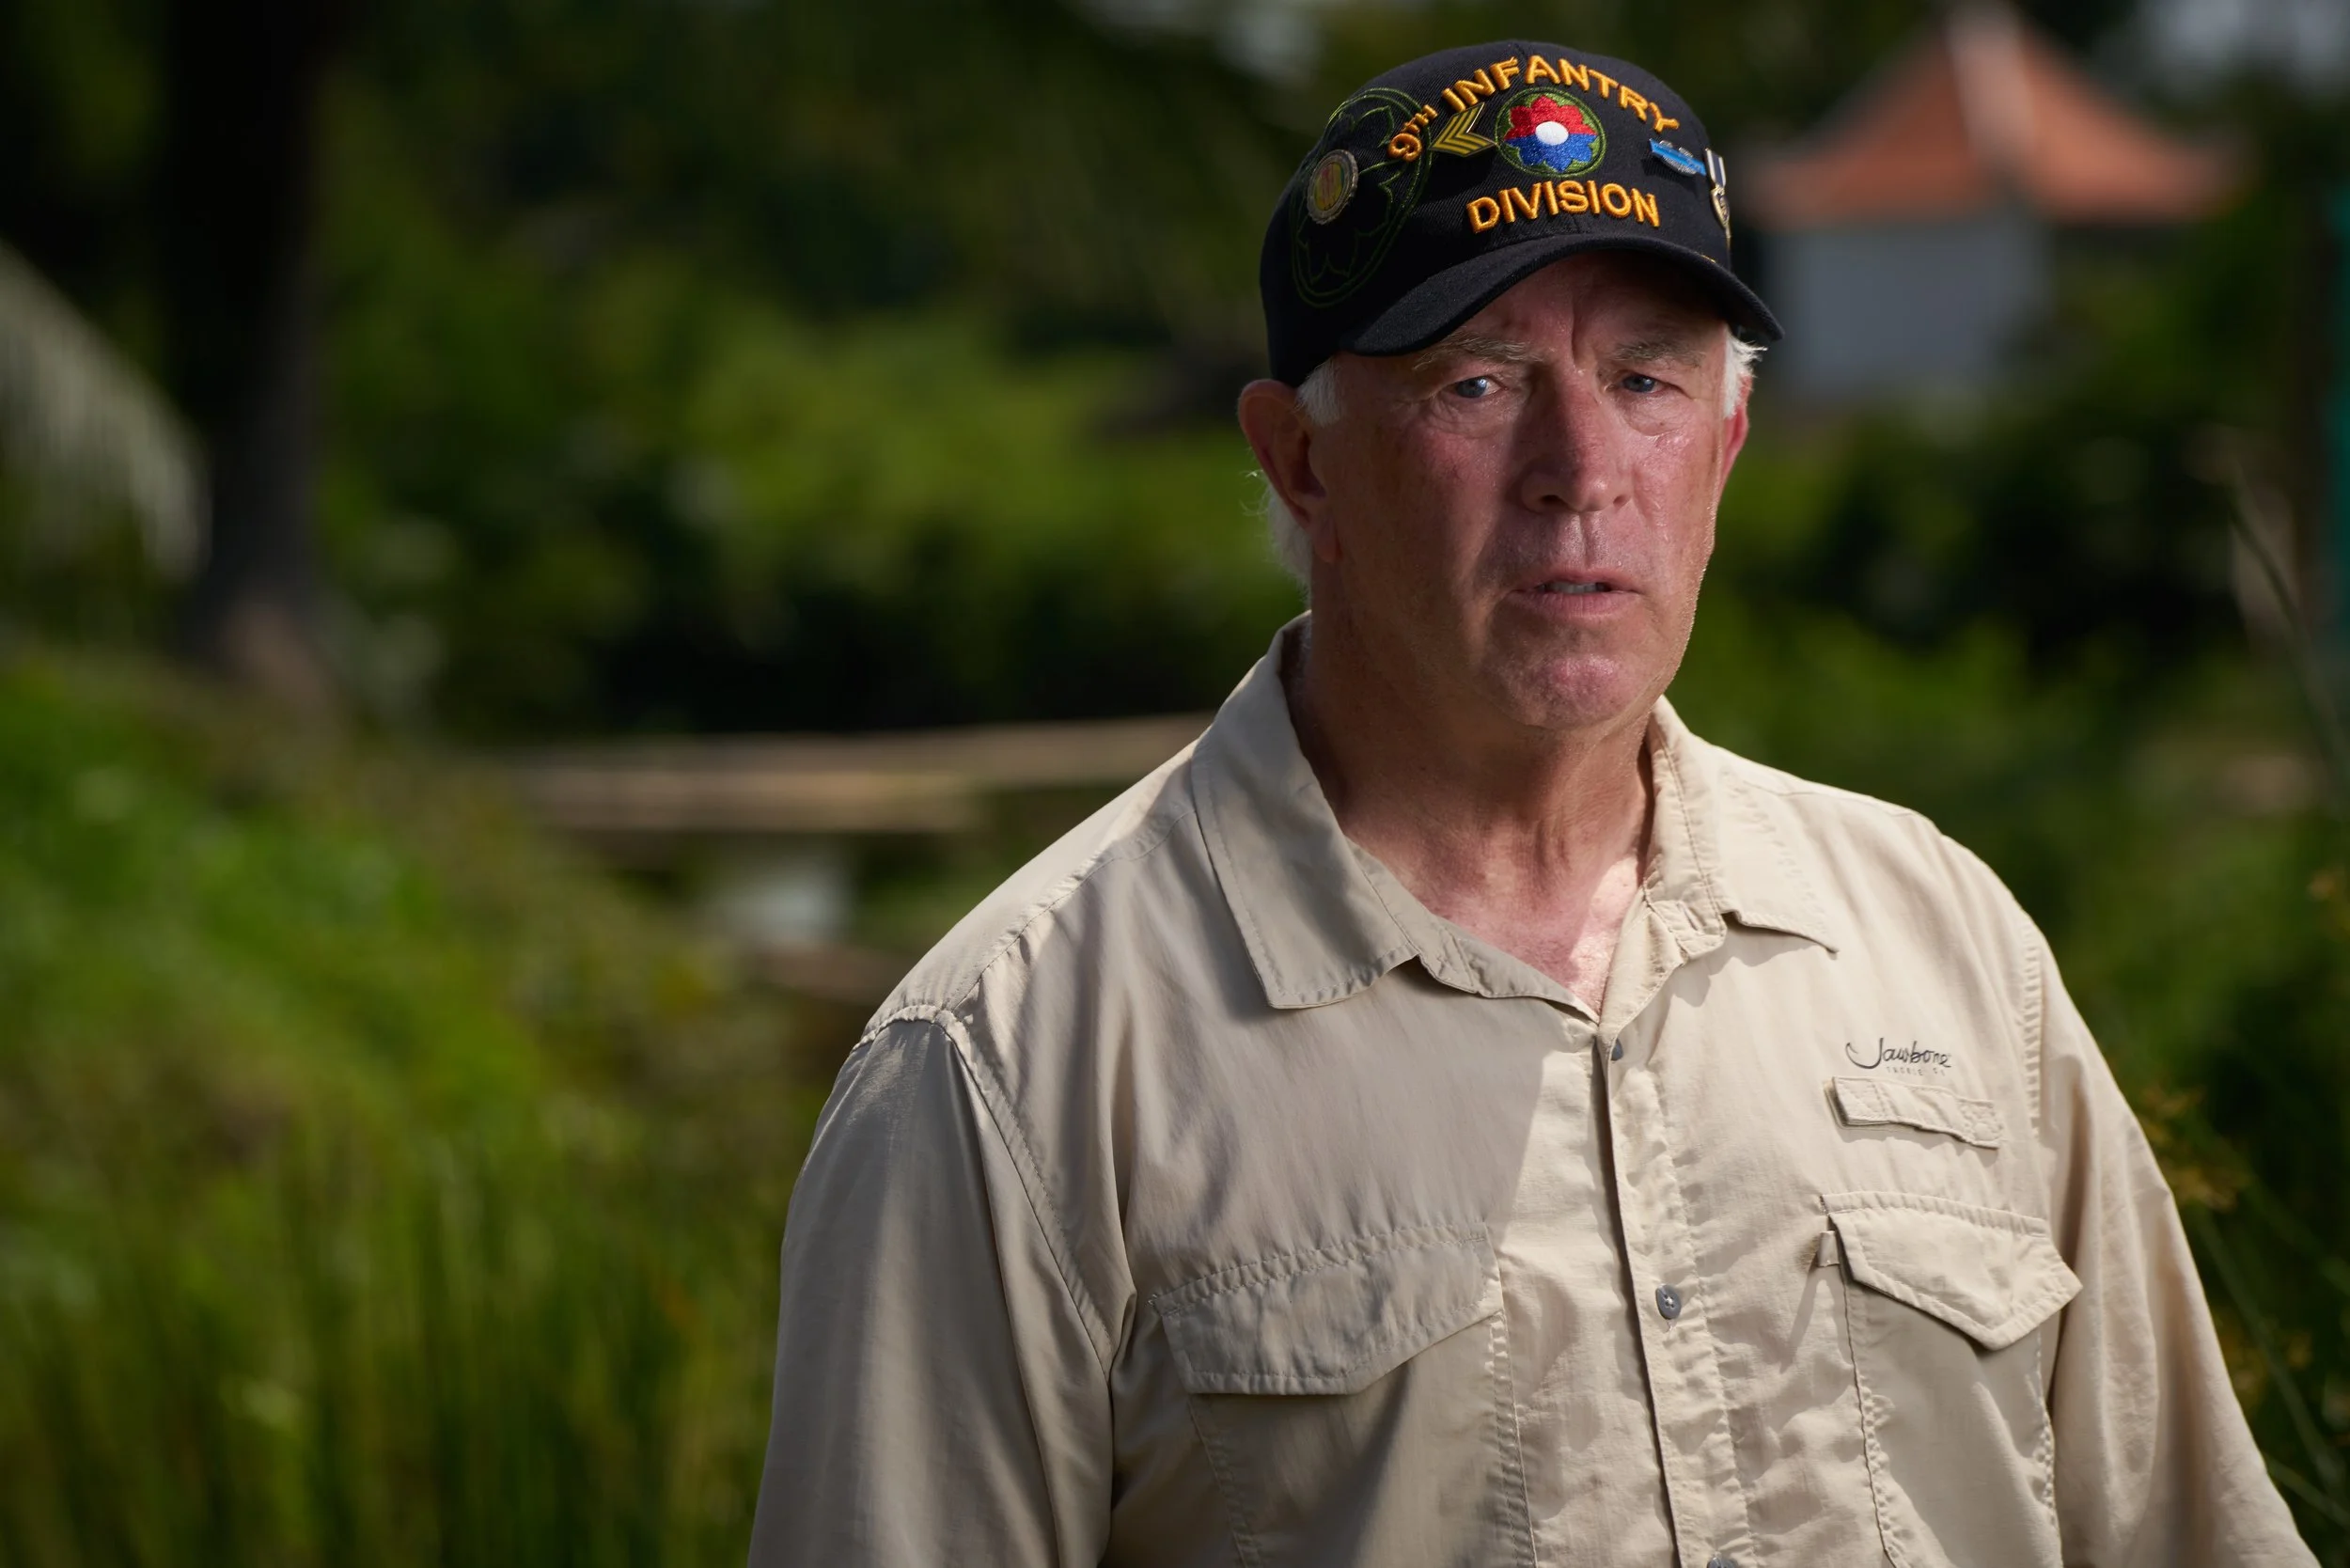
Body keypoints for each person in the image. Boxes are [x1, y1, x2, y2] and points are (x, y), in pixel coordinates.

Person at [746, 40, 2314, 1568]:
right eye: (1478, 382)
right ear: (1301, 464)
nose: (1580, 467)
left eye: (1646, 378)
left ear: (1727, 446)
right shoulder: (1011, 1063)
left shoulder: (1939, 936)